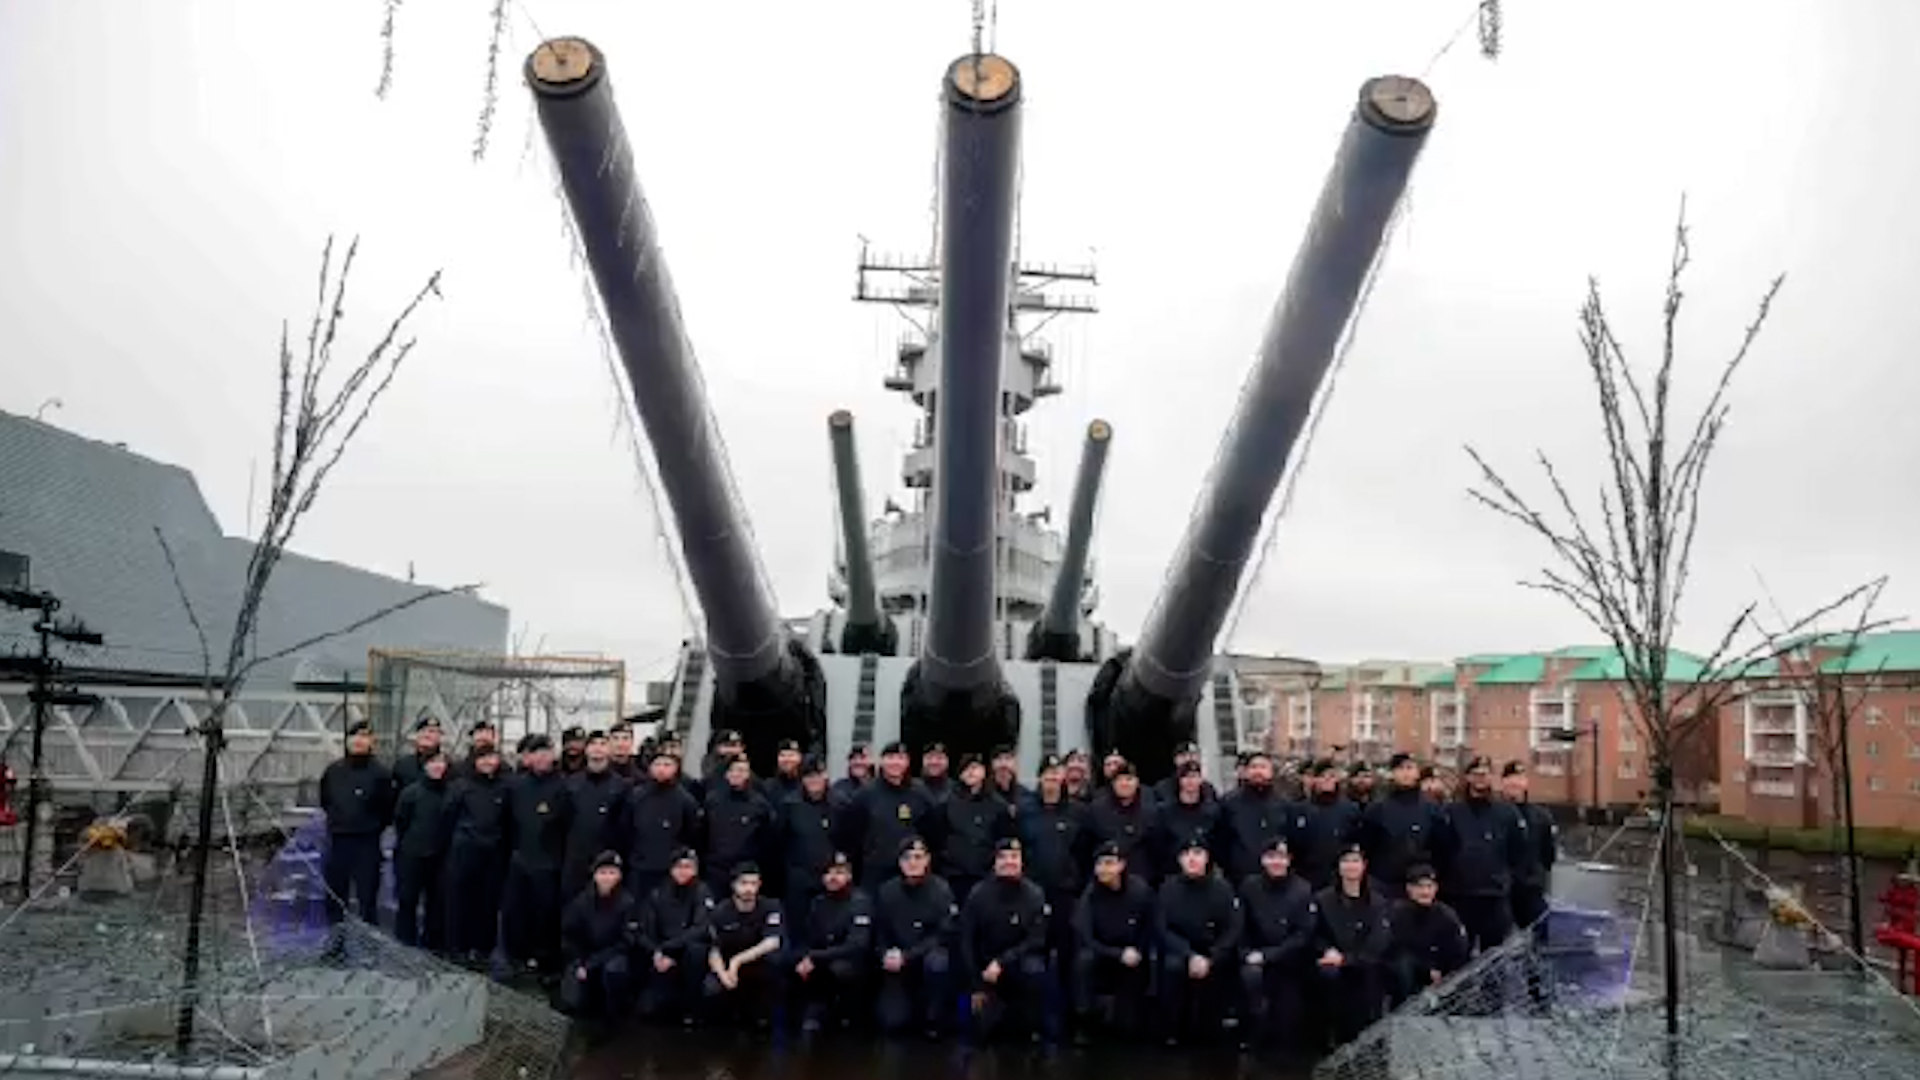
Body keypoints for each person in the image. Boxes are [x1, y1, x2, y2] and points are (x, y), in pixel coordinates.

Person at [958, 838, 1050, 1043]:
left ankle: (1030, 1022)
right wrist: (976, 985)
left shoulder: (1035, 894)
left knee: (1035, 968)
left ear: (1022, 861)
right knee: (980, 1034)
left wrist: (1002, 961)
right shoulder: (978, 894)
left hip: (1018, 965)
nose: (1009, 862)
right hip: (986, 972)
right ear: (995, 862)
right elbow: (966, 941)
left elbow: (1037, 939)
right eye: (1003, 857)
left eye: (1014, 857)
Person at [1154, 835, 1242, 1046]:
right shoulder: (1168, 888)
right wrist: (1189, 955)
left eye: (1197, 853)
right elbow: (1162, 928)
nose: (1192, 859)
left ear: (1207, 858)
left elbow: (1233, 928)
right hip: (1180, 951)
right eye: (1186, 854)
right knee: (1172, 968)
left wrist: (1212, 956)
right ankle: (1172, 1031)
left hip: (1213, 952)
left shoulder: (1223, 889)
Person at [317, 720, 396, 953]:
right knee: (334, 894)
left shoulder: (381, 774)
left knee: (367, 895)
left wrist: (371, 826)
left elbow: (388, 809)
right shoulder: (333, 771)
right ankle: (335, 942)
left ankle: (369, 944)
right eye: (355, 736)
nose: (359, 740)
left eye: (365, 736)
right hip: (339, 841)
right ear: (347, 740)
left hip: (367, 843)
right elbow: (326, 801)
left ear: (372, 742)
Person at [1437, 756, 1529, 953]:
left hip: (1494, 897)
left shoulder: (1507, 813)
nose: (1480, 778)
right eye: (1476, 774)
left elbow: (1518, 852)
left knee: (1493, 955)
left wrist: (1507, 880)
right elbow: (1441, 851)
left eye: (1485, 774)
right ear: (1468, 777)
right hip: (1459, 896)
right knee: (1459, 953)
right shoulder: (1451, 811)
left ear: (1491, 777)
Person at [1237, 837, 1317, 1054]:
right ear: (1263, 860)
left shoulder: (1303, 889)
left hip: (1289, 962)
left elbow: (1303, 935)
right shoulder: (1249, 886)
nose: (1276, 862)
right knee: (1251, 982)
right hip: (1254, 960)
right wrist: (1248, 954)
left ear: (1289, 860)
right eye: (1271, 857)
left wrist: (1271, 955)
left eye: (1281, 857)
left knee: (1286, 1031)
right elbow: (1240, 927)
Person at [1071, 841, 1154, 1043]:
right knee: (1083, 961)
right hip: (1102, 955)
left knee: (1127, 1029)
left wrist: (1138, 950)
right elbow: (1085, 938)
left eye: (1109, 863)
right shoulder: (1089, 896)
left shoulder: (1140, 891)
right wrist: (1117, 954)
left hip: (1132, 957)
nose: (1103, 869)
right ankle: (1084, 1022)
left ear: (1121, 865)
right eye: (1099, 864)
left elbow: (1151, 927)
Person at [502, 733, 571, 976]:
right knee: (515, 912)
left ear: (553, 755)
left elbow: (567, 827)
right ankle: (515, 957)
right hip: (520, 858)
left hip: (549, 862)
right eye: (536, 752)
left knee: (546, 915)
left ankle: (544, 960)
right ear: (528, 757)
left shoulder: (564, 786)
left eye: (546, 751)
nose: (542, 757)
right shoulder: (516, 785)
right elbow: (508, 823)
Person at [874, 836, 957, 1037]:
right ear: (900, 862)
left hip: (925, 957)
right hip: (896, 964)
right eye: (908, 858)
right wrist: (885, 953)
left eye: (918, 857)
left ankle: (933, 1017)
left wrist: (908, 956)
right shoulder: (887, 891)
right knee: (892, 1024)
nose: (913, 863)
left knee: (938, 963)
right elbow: (879, 931)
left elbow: (943, 934)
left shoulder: (941, 891)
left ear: (927, 860)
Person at [1311, 844, 1393, 1047]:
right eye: (1346, 861)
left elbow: (1379, 941)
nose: (1351, 866)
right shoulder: (1322, 899)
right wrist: (1327, 950)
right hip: (1333, 965)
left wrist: (1348, 959)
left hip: (1364, 966)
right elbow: (1314, 934)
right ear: (1338, 866)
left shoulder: (1378, 902)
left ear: (1364, 865)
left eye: (1355, 861)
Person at [788, 851, 873, 1033]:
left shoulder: (860, 902)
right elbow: (809, 938)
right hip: (822, 960)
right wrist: (805, 957)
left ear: (849, 875)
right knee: (789, 960)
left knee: (839, 968)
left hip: (852, 963)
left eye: (839, 872)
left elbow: (857, 945)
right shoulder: (818, 902)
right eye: (829, 873)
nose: (833, 878)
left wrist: (814, 957)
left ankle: (845, 1015)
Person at [442, 743, 509, 965]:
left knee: (488, 904)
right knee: (460, 902)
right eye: (483, 758)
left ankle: (483, 949)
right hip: (464, 853)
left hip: (493, 855)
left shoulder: (504, 787)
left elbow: (508, 821)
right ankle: (457, 948)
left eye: (492, 757)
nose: (488, 762)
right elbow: (448, 816)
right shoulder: (461, 786)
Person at [635, 848, 714, 1026]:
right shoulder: (657, 894)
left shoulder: (703, 891)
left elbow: (701, 928)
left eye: (688, 867)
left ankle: (692, 1009)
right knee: (649, 1009)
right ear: (671, 869)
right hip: (662, 956)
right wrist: (656, 952)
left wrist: (669, 949)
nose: (683, 871)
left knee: (696, 950)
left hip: (687, 955)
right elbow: (644, 931)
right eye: (679, 866)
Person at [560, 851, 639, 1020]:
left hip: (612, 956)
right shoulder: (581, 902)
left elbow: (626, 942)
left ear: (619, 876)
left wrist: (592, 964)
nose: (607, 878)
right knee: (572, 1001)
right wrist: (580, 961)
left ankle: (614, 1012)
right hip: (585, 955)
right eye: (603, 872)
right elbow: (569, 935)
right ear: (594, 875)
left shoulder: (628, 902)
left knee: (614, 971)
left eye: (612, 873)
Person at [705, 863, 784, 1028]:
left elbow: (772, 942)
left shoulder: (771, 906)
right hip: (728, 966)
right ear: (733, 885)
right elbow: (714, 949)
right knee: (711, 990)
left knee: (776, 962)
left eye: (753, 883)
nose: (749, 889)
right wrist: (723, 974)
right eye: (744, 883)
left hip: (757, 965)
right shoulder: (720, 911)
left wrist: (737, 961)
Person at [930, 754, 1016, 903]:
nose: (971, 772)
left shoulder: (998, 806)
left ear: (984, 772)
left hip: (986, 877)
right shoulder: (945, 804)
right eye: (966, 769)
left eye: (975, 768)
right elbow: (935, 840)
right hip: (953, 877)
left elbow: (1004, 840)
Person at [623, 749, 702, 902]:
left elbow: (692, 833)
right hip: (640, 868)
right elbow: (626, 830)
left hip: (670, 870)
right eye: (658, 764)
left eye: (667, 764)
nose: (662, 769)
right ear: (650, 767)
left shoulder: (686, 801)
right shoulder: (636, 796)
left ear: (676, 768)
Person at [392, 750, 451, 951]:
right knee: (407, 900)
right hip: (412, 856)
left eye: (441, 762)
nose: (438, 766)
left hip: (440, 857)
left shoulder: (450, 793)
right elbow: (401, 822)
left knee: (436, 904)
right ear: (425, 766)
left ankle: (433, 944)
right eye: (433, 762)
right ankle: (405, 944)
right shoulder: (410, 793)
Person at [1387, 863, 1470, 1006]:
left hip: (1441, 976)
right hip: (1410, 975)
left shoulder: (1446, 916)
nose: (1425, 892)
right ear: (1409, 889)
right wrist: (1426, 970)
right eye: (1419, 887)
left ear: (1436, 888)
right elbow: (1394, 949)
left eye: (1429, 886)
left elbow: (1459, 951)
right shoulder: (1396, 914)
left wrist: (1443, 972)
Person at [561, 732, 631, 900]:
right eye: (593, 744)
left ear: (609, 750)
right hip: (575, 862)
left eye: (602, 744)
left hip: (606, 864)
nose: (598, 749)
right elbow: (562, 823)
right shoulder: (571, 784)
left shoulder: (621, 786)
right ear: (586, 750)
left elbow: (625, 827)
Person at [701, 754, 776, 892]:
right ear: (726, 774)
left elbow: (767, 841)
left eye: (742, 770)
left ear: (748, 774)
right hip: (715, 871)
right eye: (733, 770)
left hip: (745, 874)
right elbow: (701, 835)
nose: (737, 774)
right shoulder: (712, 801)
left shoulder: (760, 805)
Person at [1502, 761, 1556, 932]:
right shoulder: (1494, 813)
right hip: (1501, 891)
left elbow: (1548, 854)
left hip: (1530, 889)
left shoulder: (1541, 816)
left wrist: (1537, 875)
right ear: (1502, 782)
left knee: (1542, 934)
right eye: (1510, 778)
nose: (1515, 783)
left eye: (1519, 778)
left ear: (1526, 782)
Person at [392, 716, 443, 790]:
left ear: (440, 736)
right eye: (423, 731)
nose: (427, 735)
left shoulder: (449, 768)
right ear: (416, 736)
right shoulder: (403, 765)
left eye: (432, 731)